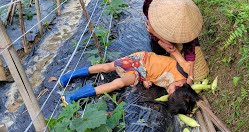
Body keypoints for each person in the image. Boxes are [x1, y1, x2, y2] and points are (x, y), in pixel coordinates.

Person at [59, 42, 200, 114]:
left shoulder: (176, 89)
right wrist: (155, 33)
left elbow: (158, 77)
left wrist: (146, 81)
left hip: (139, 75)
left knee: (118, 83)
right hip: (140, 60)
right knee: (106, 68)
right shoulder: (185, 71)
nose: (168, 90)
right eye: (171, 91)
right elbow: (172, 50)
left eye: (168, 94)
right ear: (181, 85)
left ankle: (73, 96)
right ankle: (69, 75)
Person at [143, 0, 203, 85]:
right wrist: (158, 37)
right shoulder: (153, 8)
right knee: (158, 49)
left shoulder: (188, 17)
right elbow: (151, 30)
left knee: (189, 40)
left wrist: (191, 76)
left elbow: (190, 50)